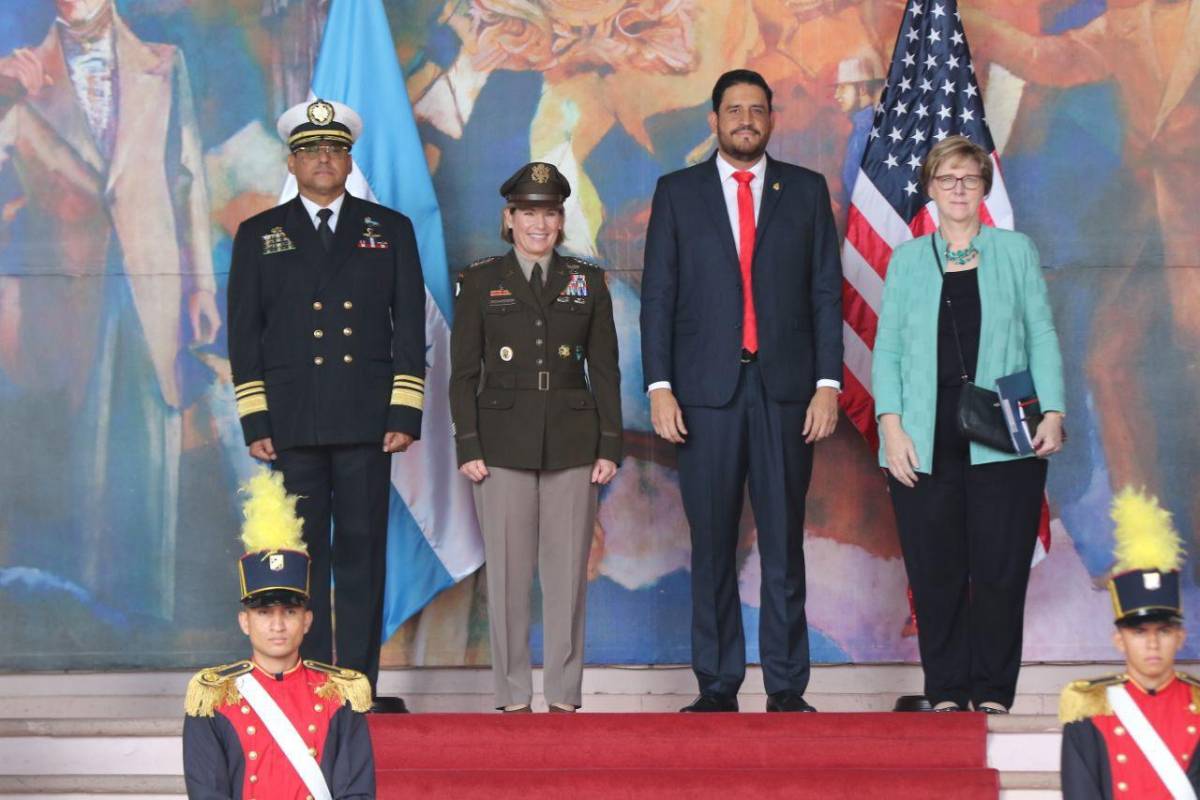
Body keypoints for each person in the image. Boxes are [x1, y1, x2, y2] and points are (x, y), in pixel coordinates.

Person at [0, 0, 219, 619]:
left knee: (153, 444)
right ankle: (92, 616)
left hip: (155, 284)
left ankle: (152, 611)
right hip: (68, 293)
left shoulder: (165, 64)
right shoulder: (18, 75)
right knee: (85, 451)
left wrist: (202, 286)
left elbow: (186, 176)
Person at [640, 69, 843, 713]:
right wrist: (660, 386)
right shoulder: (677, 193)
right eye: (734, 110)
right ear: (714, 120)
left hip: (788, 394)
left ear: (771, 120)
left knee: (783, 544)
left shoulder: (805, 191)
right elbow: (659, 297)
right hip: (703, 396)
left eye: (757, 110)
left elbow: (825, 293)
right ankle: (717, 685)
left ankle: (786, 688)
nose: (746, 120)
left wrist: (828, 383)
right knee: (712, 545)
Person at [226, 98, 426, 710]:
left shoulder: (388, 229)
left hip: (367, 419)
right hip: (293, 421)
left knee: (363, 554)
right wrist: (256, 417)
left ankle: (357, 686)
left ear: (348, 160)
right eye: (310, 150)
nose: (322, 159)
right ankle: (308, 689)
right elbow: (244, 333)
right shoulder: (259, 234)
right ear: (291, 162)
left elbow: (409, 325)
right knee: (301, 559)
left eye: (334, 149)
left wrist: (404, 411)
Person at [872, 135, 1066, 714]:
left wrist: (1054, 410)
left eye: (970, 178)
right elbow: (887, 349)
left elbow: (1041, 333)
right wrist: (891, 427)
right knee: (936, 571)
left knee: (1001, 569)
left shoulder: (1016, 250)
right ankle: (948, 691)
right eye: (947, 179)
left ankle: (992, 693)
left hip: (1007, 428)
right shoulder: (908, 259)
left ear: (984, 187)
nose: (958, 188)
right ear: (930, 189)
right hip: (923, 434)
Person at [449, 161, 622, 712]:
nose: (539, 224)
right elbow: (463, 373)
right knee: (506, 578)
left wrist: (610, 444)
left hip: (573, 440)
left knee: (567, 576)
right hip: (500, 444)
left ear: (561, 220)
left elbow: (606, 370)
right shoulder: (479, 281)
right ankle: (513, 698)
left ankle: (565, 698)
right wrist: (468, 443)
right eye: (528, 213)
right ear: (509, 219)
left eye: (549, 213)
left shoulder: (587, 280)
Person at [183, 469, 375, 799]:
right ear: (244, 621)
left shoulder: (340, 693)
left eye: (289, 612)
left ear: (307, 620)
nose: (277, 625)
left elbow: (357, 793)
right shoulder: (213, 697)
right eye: (263, 613)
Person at [1060, 487, 1199, 798]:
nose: (1152, 643)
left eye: (1164, 631)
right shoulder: (1089, 708)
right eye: (1139, 632)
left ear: (1180, 638)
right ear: (1119, 640)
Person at [833, 53, 884, 209]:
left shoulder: (871, 133)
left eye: (842, 87)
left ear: (862, 89)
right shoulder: (859, 129)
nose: (836, 95)